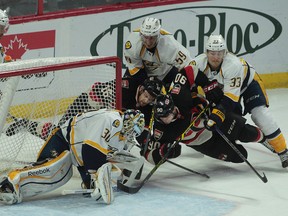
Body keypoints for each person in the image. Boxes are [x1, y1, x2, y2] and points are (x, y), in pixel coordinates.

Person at [0, 108, 145, 205]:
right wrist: (95, 176)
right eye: (132, 130)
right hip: (63, 141)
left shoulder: (122, 134)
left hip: (79, 151)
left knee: (101, 176)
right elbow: (91, 148)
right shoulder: (112, 120)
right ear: (127, 121)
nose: (131, 135)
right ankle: (10, 183)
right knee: (54, 172)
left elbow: (100, 153)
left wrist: (94, 180)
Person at [191, 34, 288, 168]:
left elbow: (230, 100)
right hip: (225, 90)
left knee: (260, 115)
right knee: (232, 122)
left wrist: (216, 116)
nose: (215, 57)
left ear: (225, 52)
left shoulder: (233, 65)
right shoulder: (197, 63)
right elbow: (190, 86)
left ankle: (283, 151)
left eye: (219, 53)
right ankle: (260, 137)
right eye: (212, 53)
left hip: (248, 85)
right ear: (206, 52)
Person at [5, 76, 163, 140]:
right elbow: (100, 93)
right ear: (141, 89)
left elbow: (142, 131)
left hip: (98, 118)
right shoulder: (126, 86)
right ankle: (26, 124)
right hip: (85, 106)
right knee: (59, 136)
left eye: (150, 99)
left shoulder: (148, 109)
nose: (146, 100)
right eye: (146, 95)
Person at [142, 93, 266, 165]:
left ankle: (268, 140)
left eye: (168, 114)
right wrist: (164, 152)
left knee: (246, 132)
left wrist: (203, 105)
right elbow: (149, 155)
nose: (166, 119)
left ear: (173, 107)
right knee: (241, 156)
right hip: (205, 143)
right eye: (162, 117)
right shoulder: (160, 131)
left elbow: (199, 98)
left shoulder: (181, 98)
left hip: (214, 121)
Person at [123, 17, 193, 89]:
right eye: (145, 37)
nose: (148, 42)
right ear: (141, 34)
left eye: (152, 38)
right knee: (124, 91)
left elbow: (189, 66)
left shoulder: (170, 45)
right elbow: (135, 68)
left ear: (158, 35)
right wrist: (146, 84)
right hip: (142, 73)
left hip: (165, 73)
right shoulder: (132, 43)